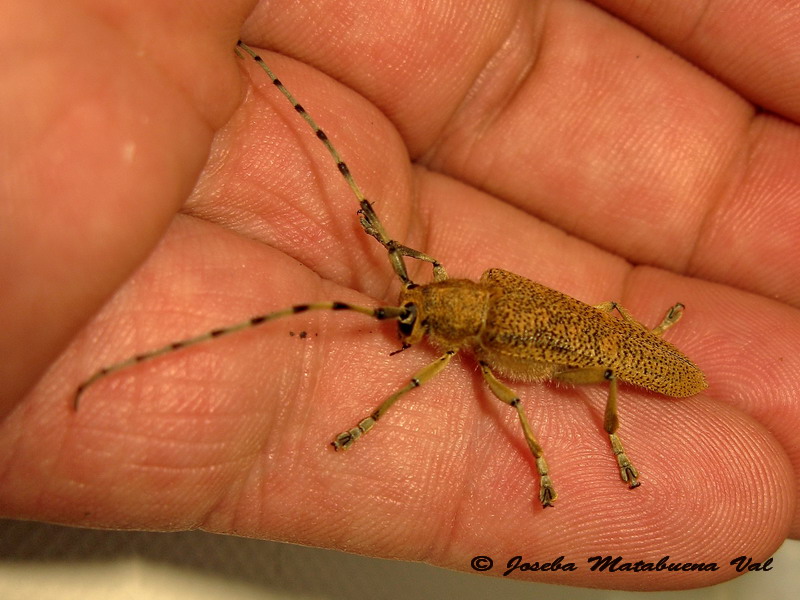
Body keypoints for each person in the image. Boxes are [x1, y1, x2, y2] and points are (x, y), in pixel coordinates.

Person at [1, 0, 797, 590]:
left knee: (599, 360)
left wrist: (384, 413)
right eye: (413, 311)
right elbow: (413, 272)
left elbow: (507, 391)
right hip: (583, 327)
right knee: (592, 339)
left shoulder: (481, 339)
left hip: (624, 355)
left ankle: (616, 438)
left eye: (415, 313)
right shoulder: (466, 293)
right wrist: (385, 242)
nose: (407, 315)